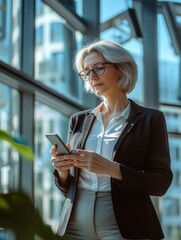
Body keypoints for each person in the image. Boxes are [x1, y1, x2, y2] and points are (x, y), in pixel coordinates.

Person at [50, 40, 173, 240]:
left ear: (122, 69)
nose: (92, 77)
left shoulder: (151, 119)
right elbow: (67, 187)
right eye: (86, 71)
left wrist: (111, 168)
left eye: (98, 68)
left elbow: (160, 183)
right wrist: (62, 171)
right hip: (74, 223)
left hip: (126, 224)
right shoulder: (78, 120)